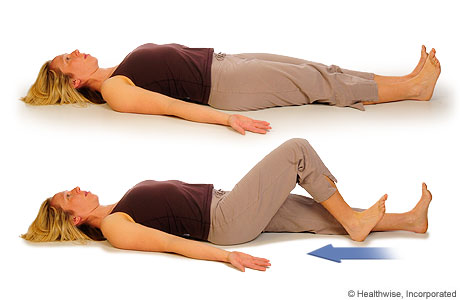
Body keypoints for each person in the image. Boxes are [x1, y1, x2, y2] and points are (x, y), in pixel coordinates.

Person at [22, 138, 432, 272]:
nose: (75, 188)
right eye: (68, 195)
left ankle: (410, 221)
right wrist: (226, 257)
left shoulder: (114, 209)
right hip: (224, 221)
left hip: (225, 204)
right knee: (296, 150)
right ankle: (356, 224)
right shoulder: (114, 227)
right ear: (73, 216)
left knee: (316, 218)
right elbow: (172, 244)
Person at [21, 44, 441, 135]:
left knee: (321, 68)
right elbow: (171, 106)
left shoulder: (116, 68)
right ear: (73, 81)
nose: (75, 51)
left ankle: (405, 80)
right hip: (223, 87)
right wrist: (227, 119)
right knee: (315, 84)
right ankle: (414, 91)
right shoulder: (115, 89)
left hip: (224, 64)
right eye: (67, 59)